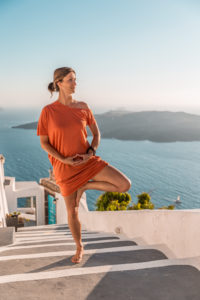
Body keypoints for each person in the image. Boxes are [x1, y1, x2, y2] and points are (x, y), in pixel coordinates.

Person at [37, 67, 132, 263]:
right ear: (59, 83)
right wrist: (63, 159)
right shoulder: (48, 111)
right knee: (72, 211)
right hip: (64, 167)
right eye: (70, 80)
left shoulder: (83, 106)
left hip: (87, 163)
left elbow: (96, 135)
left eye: (75, 79)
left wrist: (91, 152)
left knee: (124, 185)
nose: (75, 83)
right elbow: (44, 143)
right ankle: (79, 247)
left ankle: (85, 185)